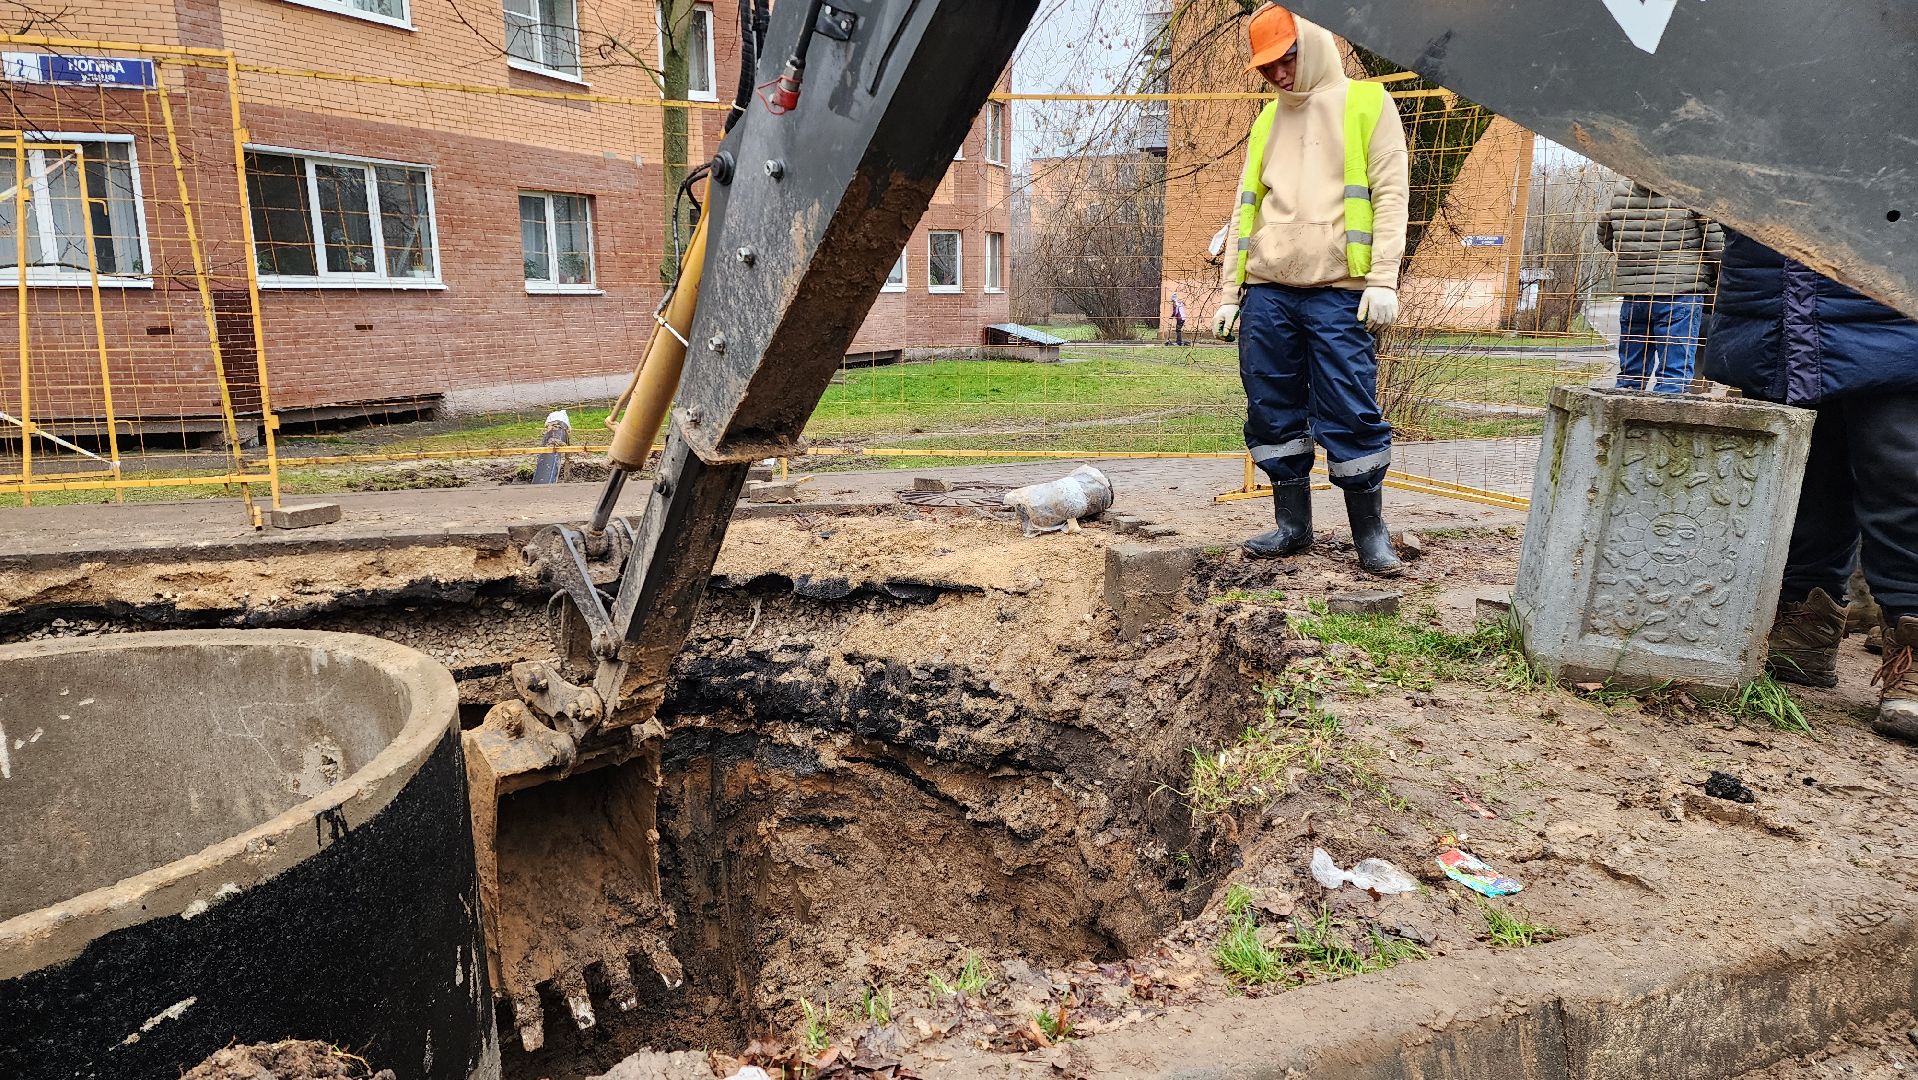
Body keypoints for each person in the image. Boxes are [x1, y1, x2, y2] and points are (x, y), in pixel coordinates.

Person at [1211, 4, 1409, 575]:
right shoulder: (1267, 121)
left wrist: (1382, 280)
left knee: (1350, 407)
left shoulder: (1368, 103)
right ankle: (1292, 526)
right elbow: (1245, 207)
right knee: (1271, 406)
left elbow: (1392, 196)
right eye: (1267, 65)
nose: (1277, 73)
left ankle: (1370, 535)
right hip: (1269, 292)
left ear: (1315, 45)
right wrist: (1230, 294)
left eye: (1287, 57)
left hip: (1339, 293)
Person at [1702, 232, 1918, 741]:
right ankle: (1805, 623)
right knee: (1804, 477)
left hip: (1893, 298)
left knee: (1902, 473)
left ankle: (1913, 641)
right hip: (1773, 301)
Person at [1597, 181, 1723, 394]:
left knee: (1630, 375)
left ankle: (1624, 422)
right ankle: (1665, 425)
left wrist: (1638, 252)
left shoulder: (1622, 192)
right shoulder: (1691, 190)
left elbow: (1606, 235)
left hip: (1635, 294)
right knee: (1674, 375)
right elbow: (1718, 247)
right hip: (1680, 293)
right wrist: (1714, 276)